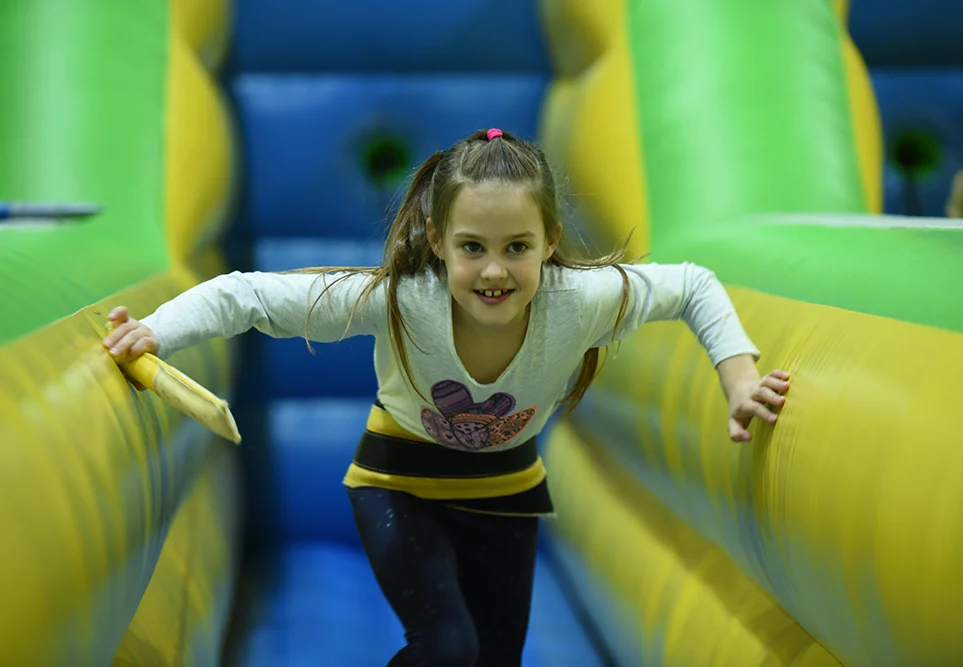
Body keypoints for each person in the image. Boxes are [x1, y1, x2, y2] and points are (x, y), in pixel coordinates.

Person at [103, 128, 790, 667]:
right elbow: (248, 294)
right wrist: (156, 330)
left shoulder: (579, 301)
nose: (494, 271)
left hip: (507, 493)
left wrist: (739, 379)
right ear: (436, 240)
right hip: (399, 486)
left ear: (550, 241)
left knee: (493, 660)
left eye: (517, 247)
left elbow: (693, 284)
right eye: (472, 247)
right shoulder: (401, 300)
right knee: (447, 647)